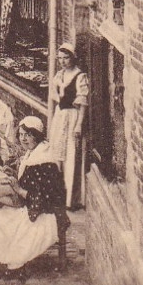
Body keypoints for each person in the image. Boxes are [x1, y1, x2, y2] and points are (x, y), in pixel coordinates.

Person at [0, 116, 66, 276]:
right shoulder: (34, 153)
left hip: (42, 214)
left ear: (37, 135)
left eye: (28, 135)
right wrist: (13, 173)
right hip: (30, 205)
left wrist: (18, 188)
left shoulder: (44, 161)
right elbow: (30, 182)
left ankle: (0, 258)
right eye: (21, 135)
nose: (23, 139)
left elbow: (44, 199)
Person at [47, 42, 89, 208]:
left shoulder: (80, 77)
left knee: (71, 154)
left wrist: (78, 125)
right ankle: (56, 195)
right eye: (60, 59)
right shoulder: (59, 75)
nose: (63, 61)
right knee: (57, 152)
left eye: (66, 58)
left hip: (72, 116)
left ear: (73, 58)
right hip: (60, 116)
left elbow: (83, 103)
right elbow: (54, 95)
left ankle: (70, 199)